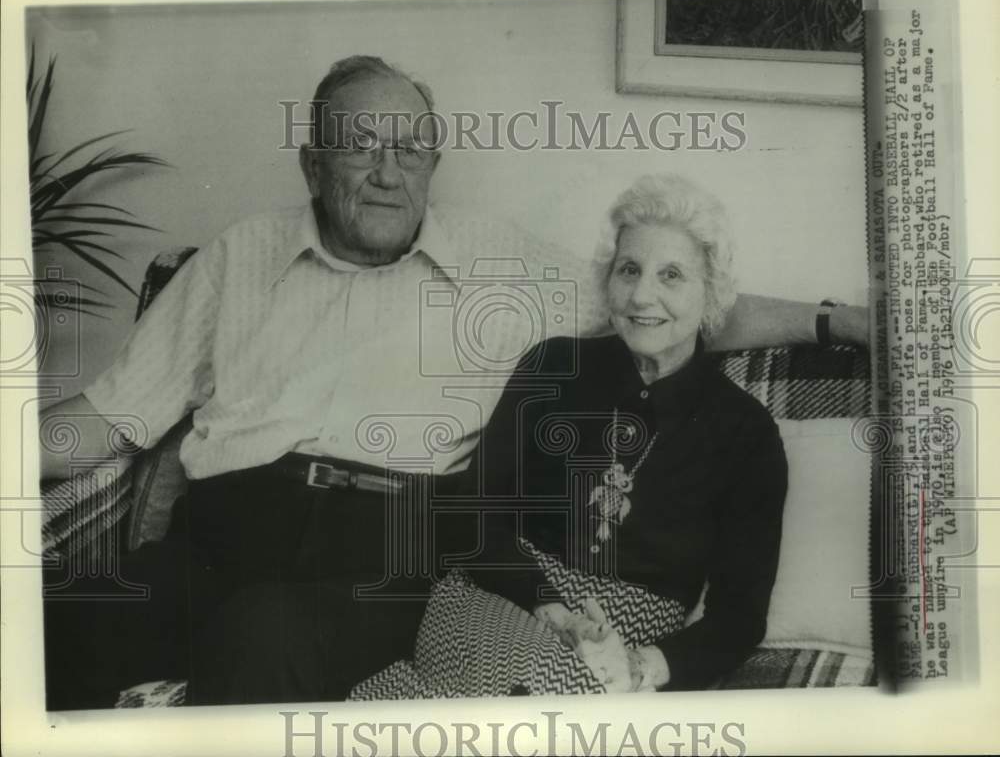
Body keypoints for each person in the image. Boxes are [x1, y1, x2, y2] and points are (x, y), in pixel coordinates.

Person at [39, 55, 863, 708]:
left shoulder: (500, 263)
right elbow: (111, 414)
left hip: (386, 548)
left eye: (410, 149)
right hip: (222, 534)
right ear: (312, 165)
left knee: (264, 636)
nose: (388, 172)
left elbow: (669, 302)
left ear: (434, 162)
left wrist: (836, 323)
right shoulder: (237, 256)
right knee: (56, 625)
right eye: (363, 146)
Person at [353, 173, 787, 698]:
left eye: (671, 275)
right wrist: (549, 604)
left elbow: (740, 616)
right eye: (629, 269)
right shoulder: (554, 366)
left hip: (628, 634)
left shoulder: (746, 432)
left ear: (712, 291)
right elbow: (474, 513)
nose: (642, 294)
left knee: (550, 700)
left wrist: (643, 665)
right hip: (503, 595)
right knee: (533, 691)